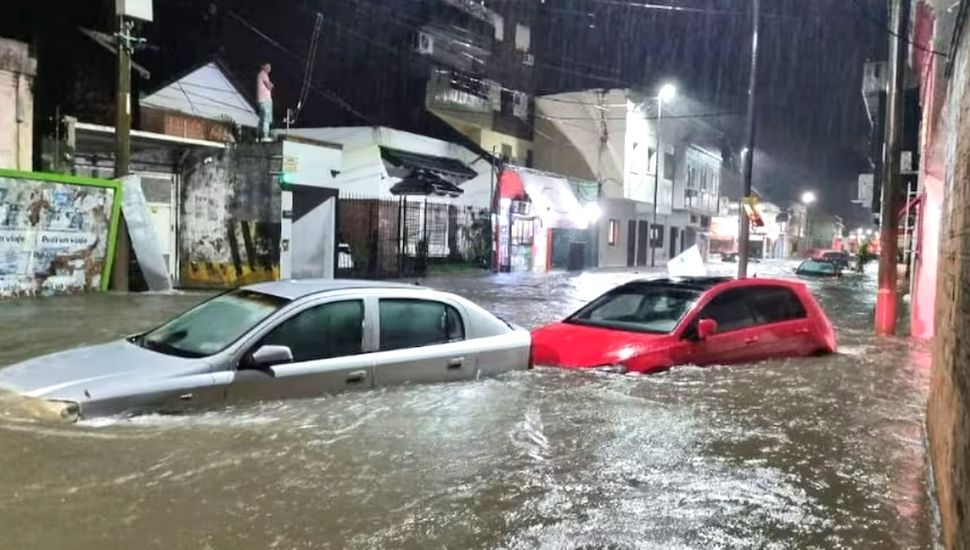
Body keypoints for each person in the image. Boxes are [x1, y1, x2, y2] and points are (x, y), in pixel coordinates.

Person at [256, 63, 274, 141]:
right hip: (265, 100)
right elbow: (269, 86)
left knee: (261, 119)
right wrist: (272, 85)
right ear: (263, 67)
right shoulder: (264, 74)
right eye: (267, 67)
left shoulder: (259, 75)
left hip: (260, 100)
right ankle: (265, 136)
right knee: (266, 119)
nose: (269, 68)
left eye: (269, 67)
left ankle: (258, 136)